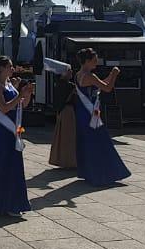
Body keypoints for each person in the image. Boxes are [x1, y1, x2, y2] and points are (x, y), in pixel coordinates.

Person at [72, 48, 131, 186]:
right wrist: (115, 75)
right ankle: (106, 172)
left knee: (87, 143)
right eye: (94, 60)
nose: (96, 62)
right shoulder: (90, 76)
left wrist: (110, 74)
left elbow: (100, 84)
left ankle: (88, 171)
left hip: (82, 113)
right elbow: (107, 88)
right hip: (90, 114)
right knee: (100, 142)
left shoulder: (78, 74)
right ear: (87, 61)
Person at [0, 57, 33, 216]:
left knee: (14, 166)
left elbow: (21, 105)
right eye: (10, 66)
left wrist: (28, 94)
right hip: (2, 131)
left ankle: (14, 202)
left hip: (12, 130)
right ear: (2, 68)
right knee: (3, 165)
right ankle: (1, 204)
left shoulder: (10, 84)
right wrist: (20, 96)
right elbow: (4, 108)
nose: (13, 69)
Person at [47, 58, 79, 167]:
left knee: (62, 136)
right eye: (69, 71)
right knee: (69, 137)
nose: (71, 72)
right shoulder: (69, 86)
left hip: (62, 111)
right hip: (68, 111)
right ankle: (69, 160)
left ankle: (61, 159)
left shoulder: (58, 84)